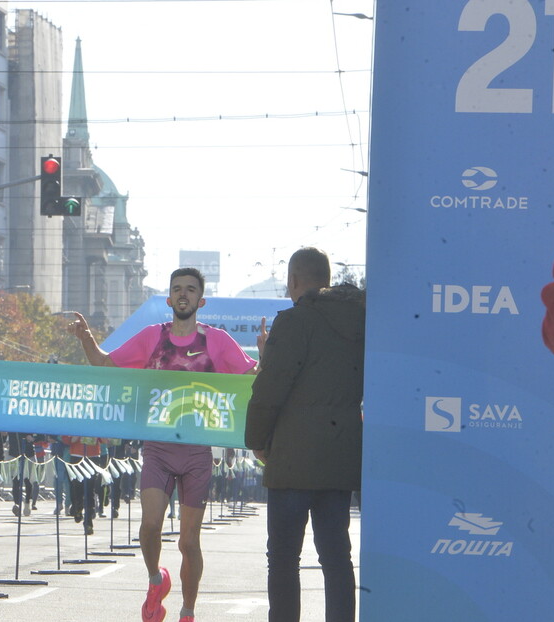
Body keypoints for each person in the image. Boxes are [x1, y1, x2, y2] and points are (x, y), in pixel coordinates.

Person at [68, 267, 257, 622]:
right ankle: (157, 579)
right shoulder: (152, 337)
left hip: (198, 452)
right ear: (169, 299)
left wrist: (266, 355)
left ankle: (187, 611)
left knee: (189, 543)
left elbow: (250, 380)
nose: (183, 294)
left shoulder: (216, 341)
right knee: (150, 527)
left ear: (201, 301)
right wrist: (86, 339)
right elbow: (106, 365)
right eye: (177, 289)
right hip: (157, 448)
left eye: (190, 289)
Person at [244, 247, 364, 622]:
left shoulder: (295, 321)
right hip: (340, 456)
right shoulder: (361, 322)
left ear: (294, 280)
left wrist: (257, 440)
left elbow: (271, 389)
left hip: (293, 458)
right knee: (336, 556)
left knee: (283, 558)